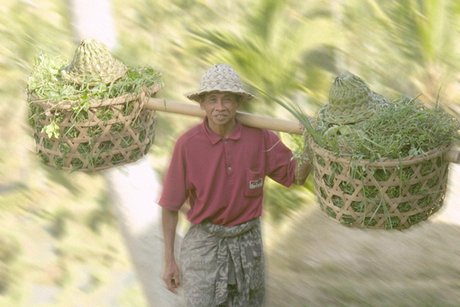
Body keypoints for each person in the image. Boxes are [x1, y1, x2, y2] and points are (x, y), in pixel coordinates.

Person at [158, 64, 312, 307]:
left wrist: (312, 144)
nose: (220, 107)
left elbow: (296, 176)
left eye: (227, 99)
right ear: (202, 104)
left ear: (239, 102)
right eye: (212, 100)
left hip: (247, 243)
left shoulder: (260, 137)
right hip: (205, 243)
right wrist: (169, 260)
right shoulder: (187, 145)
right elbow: (169, 206)